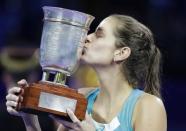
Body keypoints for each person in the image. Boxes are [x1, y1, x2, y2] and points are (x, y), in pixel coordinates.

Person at [6, 14, 167, 131]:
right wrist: (29, 118)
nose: (87, 37)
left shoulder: (148, 106)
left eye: (99, 34)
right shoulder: (81, 98)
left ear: (121, 52)